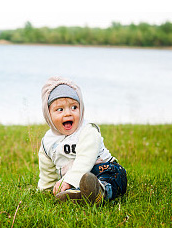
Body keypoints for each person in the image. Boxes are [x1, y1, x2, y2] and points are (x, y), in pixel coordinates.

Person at [38, 76, 127, 204]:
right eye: (60, 109)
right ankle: (79, 194)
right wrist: (46, 189)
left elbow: (86, 159)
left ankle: (100, 192)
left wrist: (69, 180)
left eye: (74, 107)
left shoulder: (87, 130)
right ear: (48, 114)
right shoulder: (47, 142)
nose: (68, 113)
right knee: (79, 183)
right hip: (75, 178)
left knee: (111, 177)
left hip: (104, 169)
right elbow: (47, 171)